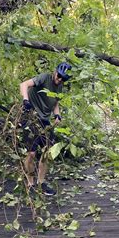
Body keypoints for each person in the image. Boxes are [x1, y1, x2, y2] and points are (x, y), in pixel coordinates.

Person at [19, 62, 72, 196]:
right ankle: (30, 184)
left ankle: (41, 183)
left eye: (63, 79)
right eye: (59, 76)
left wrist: (57, 114)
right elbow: (23, 84)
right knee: (31, 153)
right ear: (55, 71)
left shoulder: (59, 86)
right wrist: (26, 101)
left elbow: (55, 102)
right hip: (30, 116)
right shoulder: (44, 78)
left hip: (44, 120)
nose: (59, 80)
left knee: (46, 153)